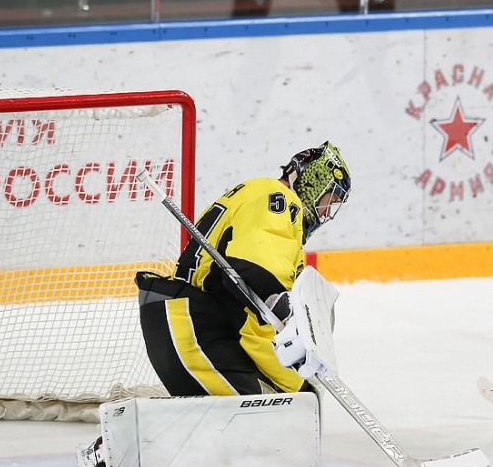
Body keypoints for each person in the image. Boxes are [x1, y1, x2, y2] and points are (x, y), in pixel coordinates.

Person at [135, 140, 351, 397]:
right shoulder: (277, 198)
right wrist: (287, 314)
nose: (325, 212)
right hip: (191, 327)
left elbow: (252, 317)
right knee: (261, 424)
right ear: (313, 182)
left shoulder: (260, 199)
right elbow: (255, 275)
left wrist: (296, 383)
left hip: (197, 326)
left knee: (280, 411)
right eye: (329, 198)